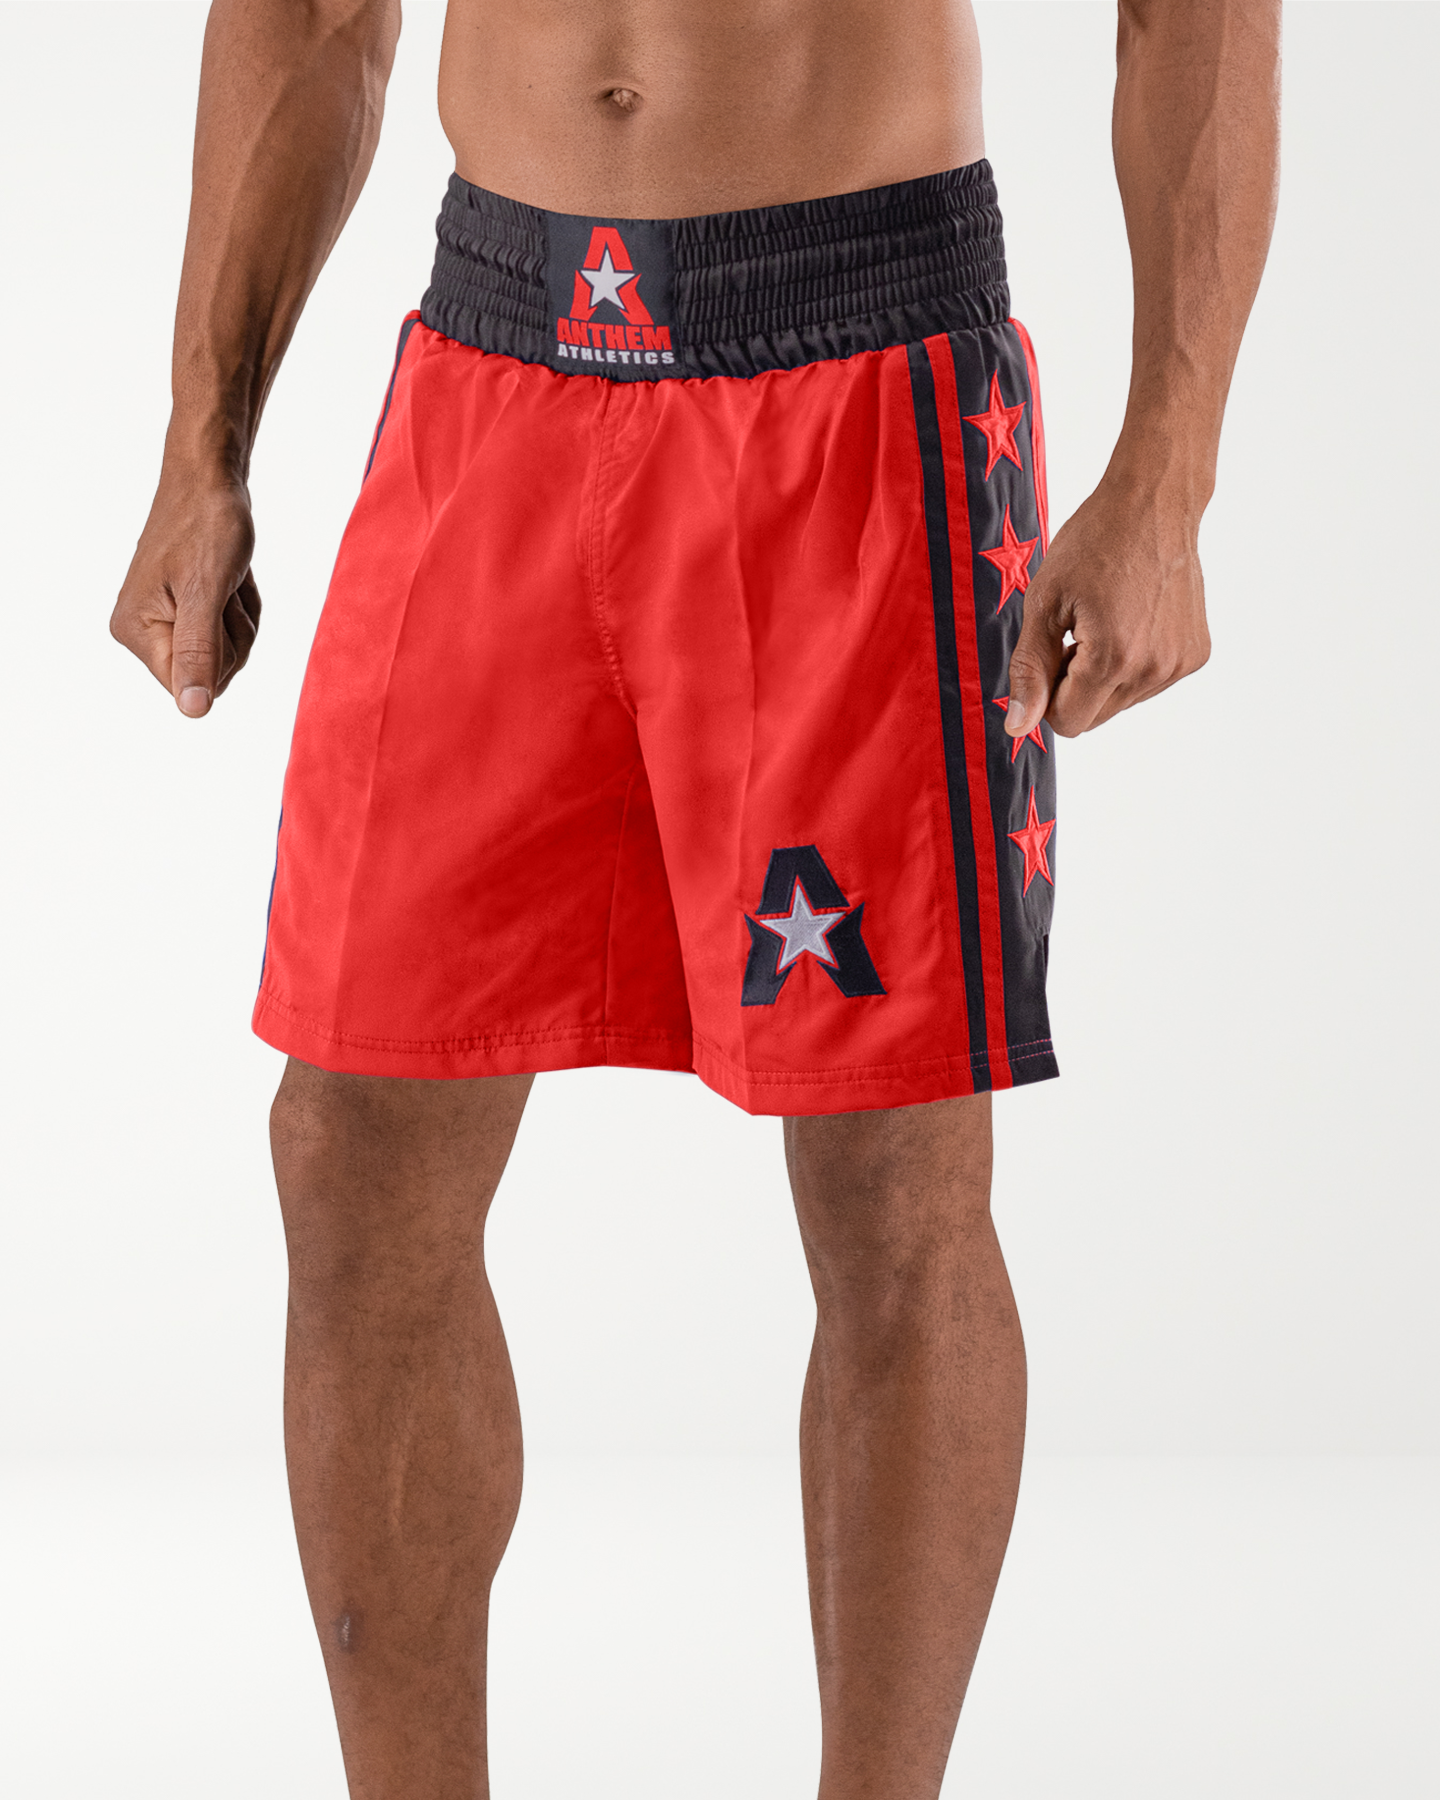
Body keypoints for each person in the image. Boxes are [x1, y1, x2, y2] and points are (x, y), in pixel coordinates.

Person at [110, 0, 1279, 1792]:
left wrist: (1172, 471)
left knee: (890, 1184)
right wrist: (204, 444)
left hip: (856, 364)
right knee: (346, 1146)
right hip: (494, 356)